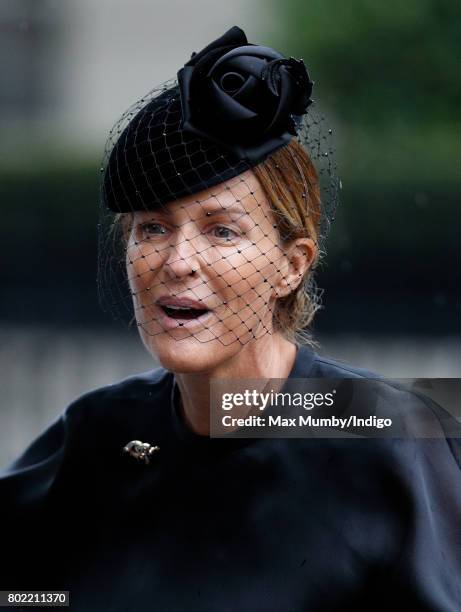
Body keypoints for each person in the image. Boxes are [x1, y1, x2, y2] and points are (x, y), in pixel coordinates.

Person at [1, 26, 460, 611]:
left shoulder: (386, 432)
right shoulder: (99, 432)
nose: (178, 261)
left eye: (223, 231)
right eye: (153, 228)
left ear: (291, 266)